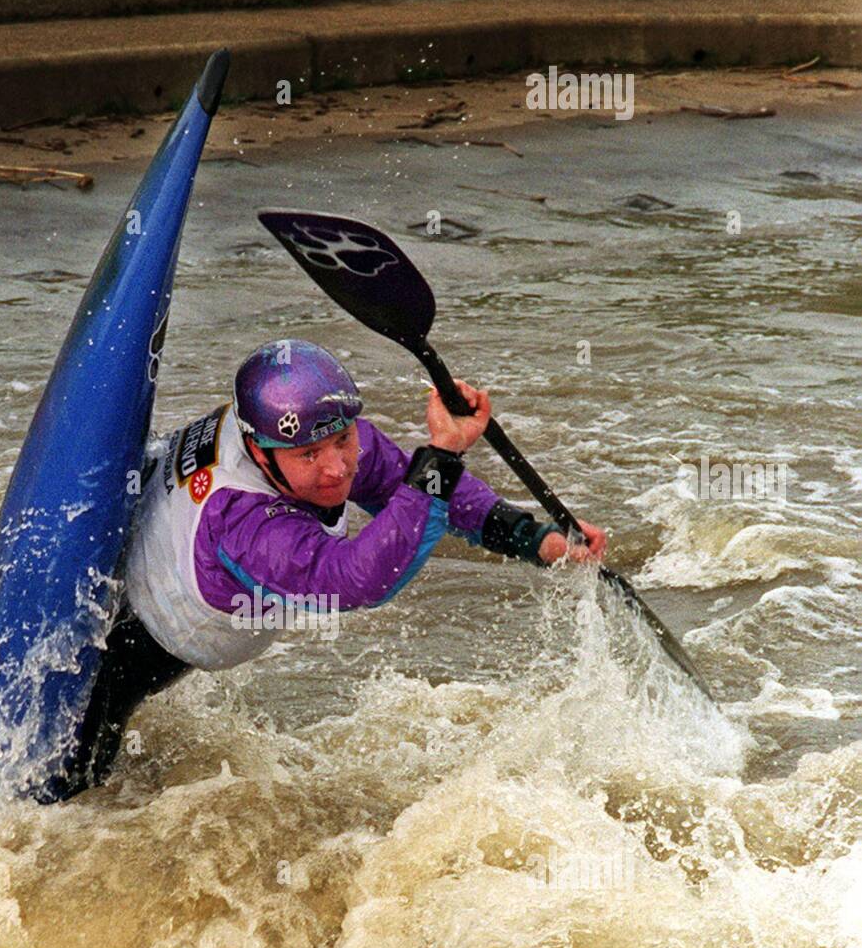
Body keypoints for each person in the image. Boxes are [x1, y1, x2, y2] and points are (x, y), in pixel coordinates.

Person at [68, 339, 607, 795]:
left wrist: (535, 539)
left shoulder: (308, 429)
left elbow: (409, 485)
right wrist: (441, 456)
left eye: (344, 441)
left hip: (144, 544)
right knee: (82, 782)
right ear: (259, 451)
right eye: (309, 455)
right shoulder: (243, 522)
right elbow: (358, 579)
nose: (336, 468)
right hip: (143, 636)